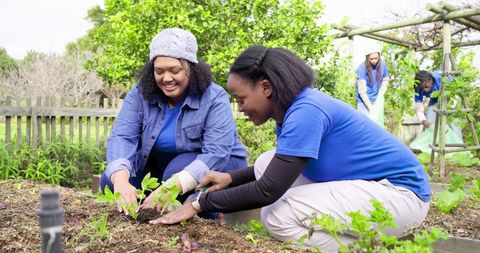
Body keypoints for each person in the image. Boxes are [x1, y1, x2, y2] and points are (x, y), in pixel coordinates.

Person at [152, 45, 431, 252]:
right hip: (371, 187)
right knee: (264, 162)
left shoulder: (306, 111)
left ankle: (362, 248)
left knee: (277, 215)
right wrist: (231, 178)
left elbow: (268, 190)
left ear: (265, 87)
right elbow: (278, 169)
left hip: (401, 196)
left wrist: (200, 204)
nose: (240, 109)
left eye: (241, 99)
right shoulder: (290, 110)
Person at [100, 28, 248, 216]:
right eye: (159, 71)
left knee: (177, 169)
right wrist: (121, 181)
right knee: (111, 179)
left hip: (219, 166)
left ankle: (206, 217)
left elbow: (217, 152)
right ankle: (144, 212)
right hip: (165, 169)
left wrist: (172, 186)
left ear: (190, 68)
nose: (166, 78)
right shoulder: (140, 94)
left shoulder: (214, 97)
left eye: (174, 70)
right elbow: (122, 136)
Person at [356, 45, 389, 126]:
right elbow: (362, 92)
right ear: (367, 58)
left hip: (377, 100)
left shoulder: (383, 65)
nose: (374, 61)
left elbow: (385, 80)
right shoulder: (361, 68)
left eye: (376, 58)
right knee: (364, 126)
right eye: (371, 59)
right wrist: (371, 108)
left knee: (377, 126)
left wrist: (381, 93)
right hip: (363, 102)